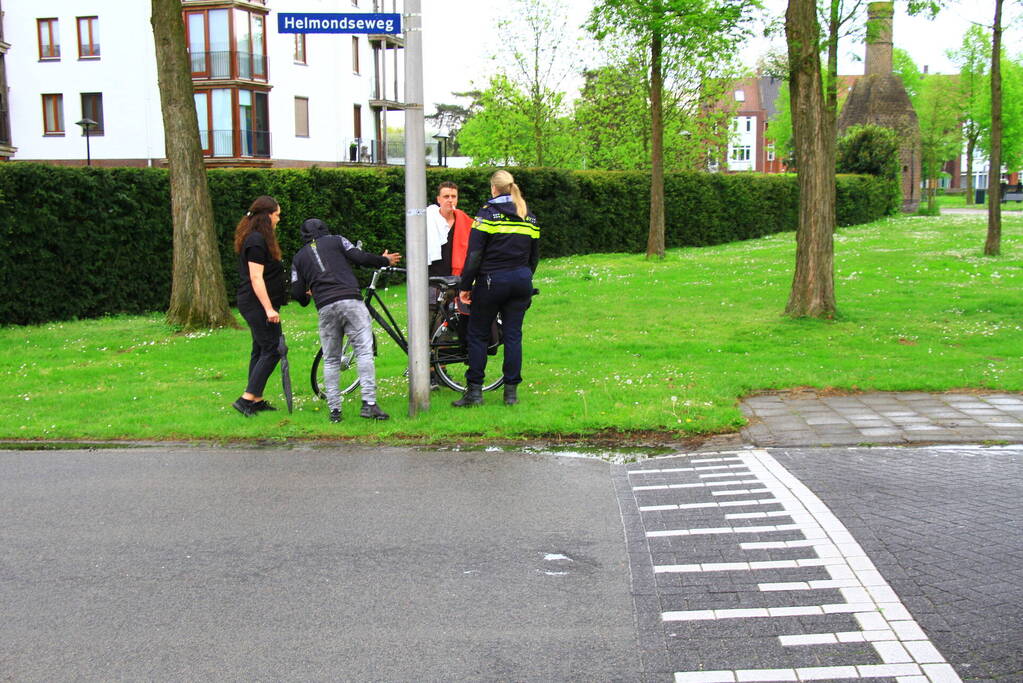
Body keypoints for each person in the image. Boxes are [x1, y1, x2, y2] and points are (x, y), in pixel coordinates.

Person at [290, 218, 401, 423]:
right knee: (364, 352)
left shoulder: (298, 258)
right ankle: (369, 403)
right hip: (351, 301)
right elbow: (360, 257)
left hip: (325, 307)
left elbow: (297, 292)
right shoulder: (337, 240)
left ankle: (335, 411)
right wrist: (384, 260)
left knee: (331, 360)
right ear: (325, 229)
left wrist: (307, 296)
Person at [452, 170, 539, 408]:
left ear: (493, 188)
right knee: (513, 336)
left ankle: (475, 392)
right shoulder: (528, 216)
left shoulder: (487, 214)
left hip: (492, 281)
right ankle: (511, 394)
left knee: (478, 335)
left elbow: (474, 254)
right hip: (521, 281)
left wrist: (465, 285)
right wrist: (524, 277)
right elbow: (534, 257)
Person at [232, 196, 288, 417]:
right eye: (276, 215)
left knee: (260, 349)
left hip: (260, 303)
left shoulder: (259, 238)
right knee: (273, 349)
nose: (278, 219)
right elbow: (256, 278)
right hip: (256, 303)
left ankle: (255, 399)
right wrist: (268, 309)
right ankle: (246, 399)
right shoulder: (255, 241)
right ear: (267, 216)